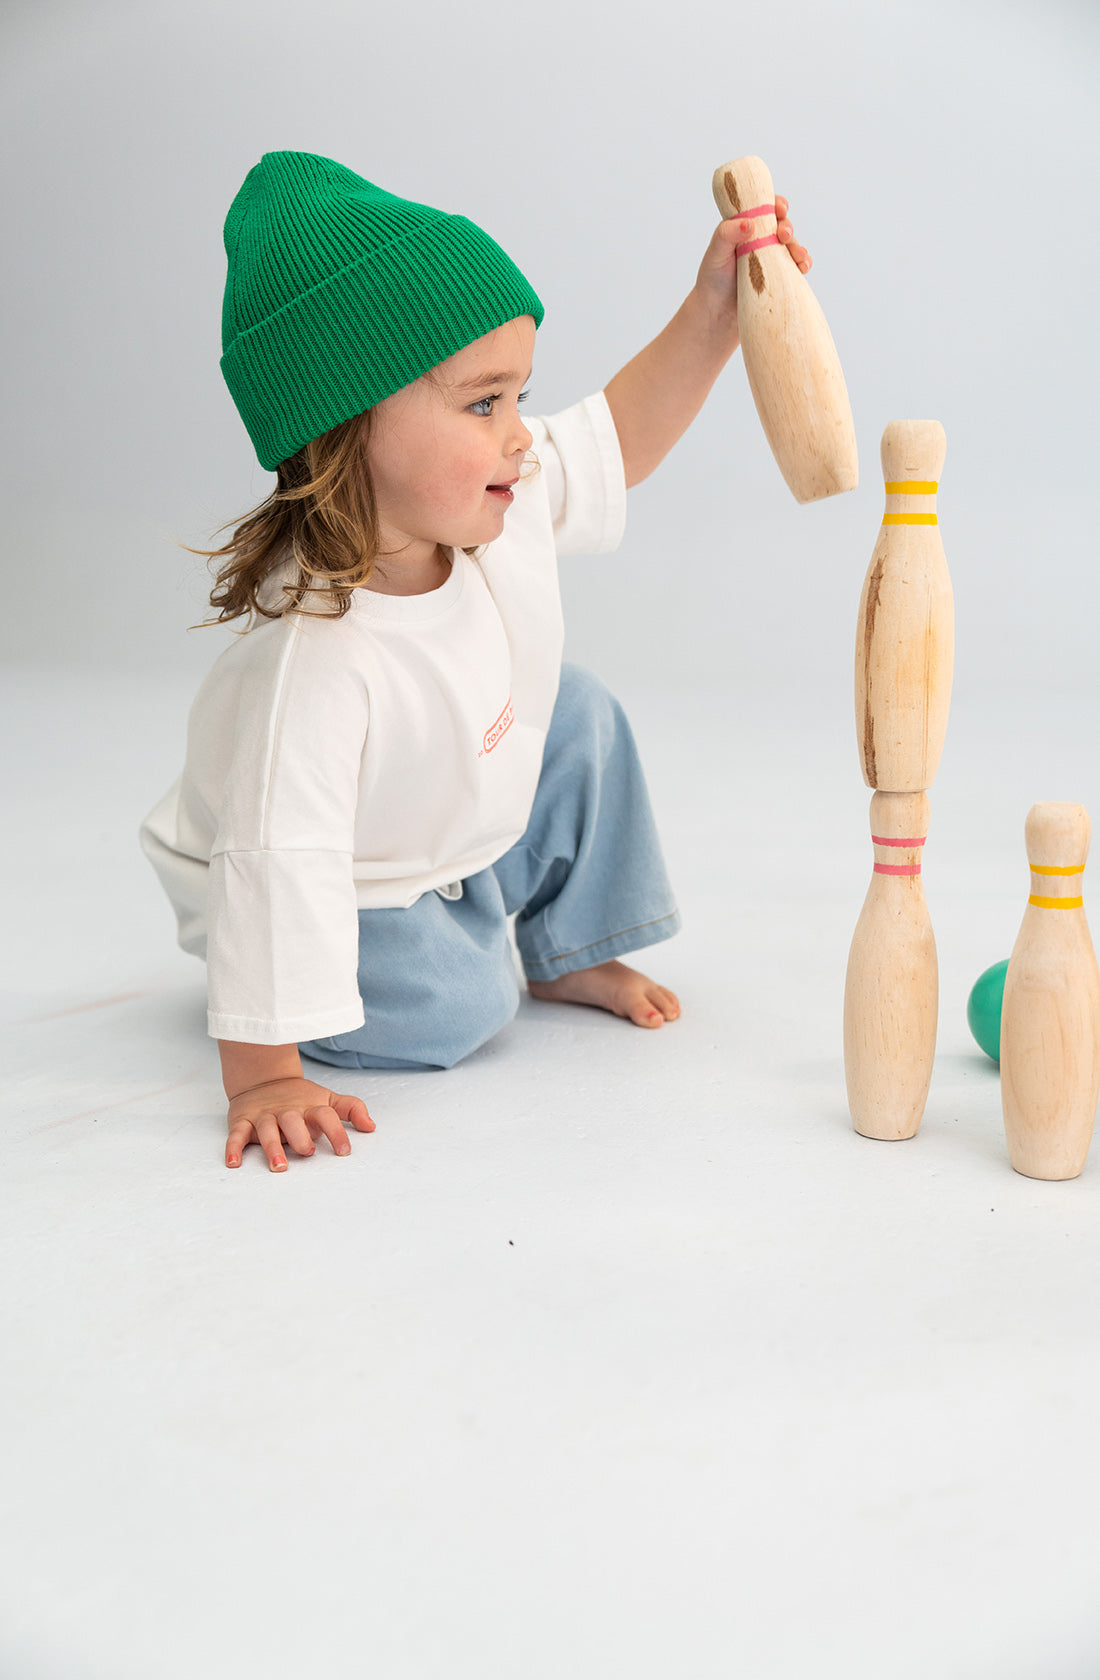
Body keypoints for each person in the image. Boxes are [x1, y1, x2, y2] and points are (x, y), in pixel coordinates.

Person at [140, 150, 811, 1173]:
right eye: (482, 403)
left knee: (575, 711)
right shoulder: (314, 665)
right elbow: (278, 865)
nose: (518, 439)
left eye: (517, 396)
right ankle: (441, 952)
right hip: (345, 875)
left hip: (439, 804)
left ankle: (564, 949)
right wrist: (262, 1069)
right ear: (345, 424)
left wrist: (713, 313)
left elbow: (616, 437)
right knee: (457, 1010)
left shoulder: (484, 501)